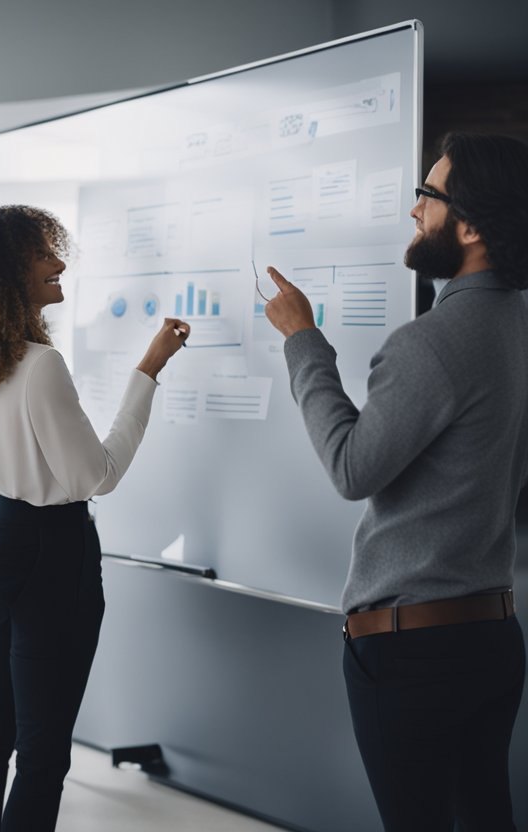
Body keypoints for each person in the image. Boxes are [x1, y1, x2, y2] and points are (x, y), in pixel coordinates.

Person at [262, 132, 528, 831]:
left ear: (469, 224)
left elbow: (352, 469)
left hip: (415, 652)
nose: (414, 210)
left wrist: (302, 340)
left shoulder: (431, 342)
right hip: (492, 637)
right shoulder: (518, 325)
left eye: (428, 194)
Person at [0, 205, 189, 832]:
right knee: (43, 752)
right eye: (45, 253)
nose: (59, 262)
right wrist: (147, 372)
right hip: (54, 553)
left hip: (5, 539)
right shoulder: (40, 365)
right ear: (8, 269)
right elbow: (95, 476)